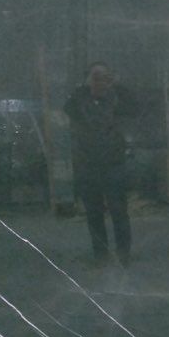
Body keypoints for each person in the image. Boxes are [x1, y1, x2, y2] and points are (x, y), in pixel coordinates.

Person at [64, 62, 137, 266]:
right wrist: (84, 86)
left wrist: (117, 85)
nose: (99, 81)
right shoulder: (80, 100)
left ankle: (123, 254)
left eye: (103, 77)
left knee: (118, 211)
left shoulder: (116, 99)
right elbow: (68, 108)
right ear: (88, 79)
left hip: (113, 164)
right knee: (94, 213)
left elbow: (135, 107)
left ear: (109, 79)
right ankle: (100, 254)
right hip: (88, 165)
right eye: (94, 77)